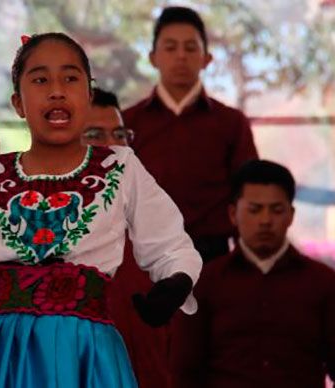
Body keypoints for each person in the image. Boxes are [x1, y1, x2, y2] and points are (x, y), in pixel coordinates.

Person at [0, 32, 203, 387]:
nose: (56, 90)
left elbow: (171, 246)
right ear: (17, 103)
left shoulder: (120, 168)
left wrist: (174, 283)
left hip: (84, 356)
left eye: (70, 78)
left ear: (88, 96)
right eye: (41, 79)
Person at [170, 160, 335, 388]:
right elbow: (185, 371)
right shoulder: (206, 284)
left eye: (276, 210)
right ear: (232, 214)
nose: (265, 221)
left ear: (291, 215)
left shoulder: (323, 284)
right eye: (254, 210)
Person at [122, 6, 258, 261]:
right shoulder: (128, 122)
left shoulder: (232, 123)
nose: (181, 56)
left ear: (207, 58)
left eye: (191, 48)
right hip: (143, 258)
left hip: (213, 257)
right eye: (171, 48)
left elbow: (249, 194)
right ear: (153, 58)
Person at [82, 86, 171, 388]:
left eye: (120, 136)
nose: (113, 147)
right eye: (95, 135)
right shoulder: (40, 230)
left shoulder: (156, 227)